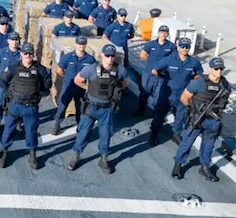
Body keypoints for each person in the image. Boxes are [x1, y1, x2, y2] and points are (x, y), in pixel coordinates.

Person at [67, 44, 128, 174]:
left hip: (107, 109)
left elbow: (123, 83)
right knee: (83, 133)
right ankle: (76, 155)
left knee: (106, 134)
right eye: (107, 55)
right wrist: (88, 88)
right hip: (90, 107)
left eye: (112, 56)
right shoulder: (91, 69)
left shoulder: (120, 70)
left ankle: (104, 158)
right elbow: (77, 80)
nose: (110, 58)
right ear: (102, 55)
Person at [171, 57, 231, 182]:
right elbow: (184, 98)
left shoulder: (225, 85)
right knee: (186, 142)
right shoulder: (199, 82)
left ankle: (204, 167)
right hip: (197, 117)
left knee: (208, 145)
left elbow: (223, 102)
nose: (219, 71)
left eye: (221, 69)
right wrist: (193, 109)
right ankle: (178, 164)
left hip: (213, 119)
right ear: (210, 68)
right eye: (216, 69)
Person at [0, 43, 52, 169]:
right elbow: (2, 81)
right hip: (15, 105)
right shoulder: (13, 68)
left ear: (33, 55)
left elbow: (47, 83)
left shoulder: (40, 69)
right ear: (21, 54)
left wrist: (38, 91)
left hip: (30, 107)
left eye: (30, 54)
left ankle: (32, 153)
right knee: (8, 130)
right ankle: (4, 152)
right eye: (25, 53)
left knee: (31, 132)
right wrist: (10, 93)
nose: (28, 56)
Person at [150, 37, 202, 146]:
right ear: (178, 47)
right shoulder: (169, 59)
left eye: (187, 47)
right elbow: (154, 70)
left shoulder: (193, 62)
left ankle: (176, 135)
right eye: (182, 46)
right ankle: (153, 135)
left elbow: (199, 74)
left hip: (182, 96)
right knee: (159, 116)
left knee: (180, 117)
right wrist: (163, 77)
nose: (184, 49)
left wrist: (192, 81)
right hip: (166, 95)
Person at [51, 35, 96, 135]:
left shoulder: (90, 60)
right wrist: (67, 78)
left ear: (86, 45)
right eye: (79, 44)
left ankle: (80, 126)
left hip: (81, 89)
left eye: (83, 44)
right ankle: (57, 125)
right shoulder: (67, 57)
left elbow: (93, 73)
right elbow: (59, 70)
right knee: (62, 107)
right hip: (68, 87)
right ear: (75, 44)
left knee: (80, 108)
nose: (81, 46)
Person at [133, 24, 175, 117]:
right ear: (158, 33)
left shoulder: (171, 46)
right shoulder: (150, 44)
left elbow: (174, 59)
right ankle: (140, 110)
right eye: (161, 32)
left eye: (165, 33)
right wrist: (151, 64)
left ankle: (156, 114)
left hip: (161, 76)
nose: (163, 34)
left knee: (158, 96)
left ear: (167, 34)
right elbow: (142, 55)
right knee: (144, 93)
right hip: (148, 74)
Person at [0, 32, 21, 130]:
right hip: (3, 82)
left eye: (16, 40)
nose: (14, 42)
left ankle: (18, 122)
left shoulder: (21, 54)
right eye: (12, 40)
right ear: (8, 41)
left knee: (17, 103)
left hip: (16, 84)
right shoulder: (1, 52)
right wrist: (2, 74)